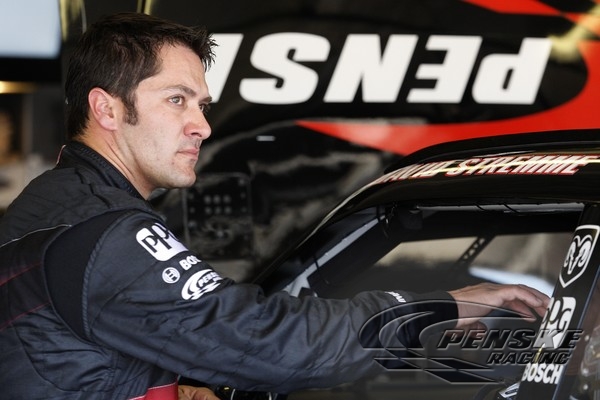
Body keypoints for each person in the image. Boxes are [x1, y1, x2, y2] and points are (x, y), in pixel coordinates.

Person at [0, 12, 549, 400]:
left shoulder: (52, 205)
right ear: (107, 109)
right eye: (176, 100)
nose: (202, 126)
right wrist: (432, 310)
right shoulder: (104, 232)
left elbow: (64, 355)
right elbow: (267, 341)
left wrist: (169, 388)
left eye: (202, 105)